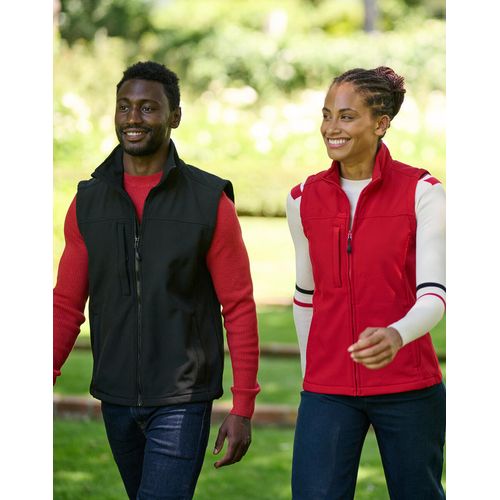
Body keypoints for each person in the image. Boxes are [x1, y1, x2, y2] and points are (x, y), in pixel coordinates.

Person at [53, 61, 260, 499]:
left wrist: (243, 405)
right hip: (115, 396)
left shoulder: (209, 201)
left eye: (148, 108)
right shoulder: (88, 202)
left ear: (174, 116)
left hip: (183, 397)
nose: (133, 117)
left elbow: (239, 305)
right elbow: (66, 306)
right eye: (124, 106)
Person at [287, 66, 445, 499]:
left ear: (380, 124)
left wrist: (397, 335)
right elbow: (305, 295)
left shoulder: (423, 192)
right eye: (327, 115)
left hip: (409, 386)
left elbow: (434, 296)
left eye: (346, 116)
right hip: (328, 390)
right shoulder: (301, 199)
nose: (331, 128)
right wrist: (311, 376)